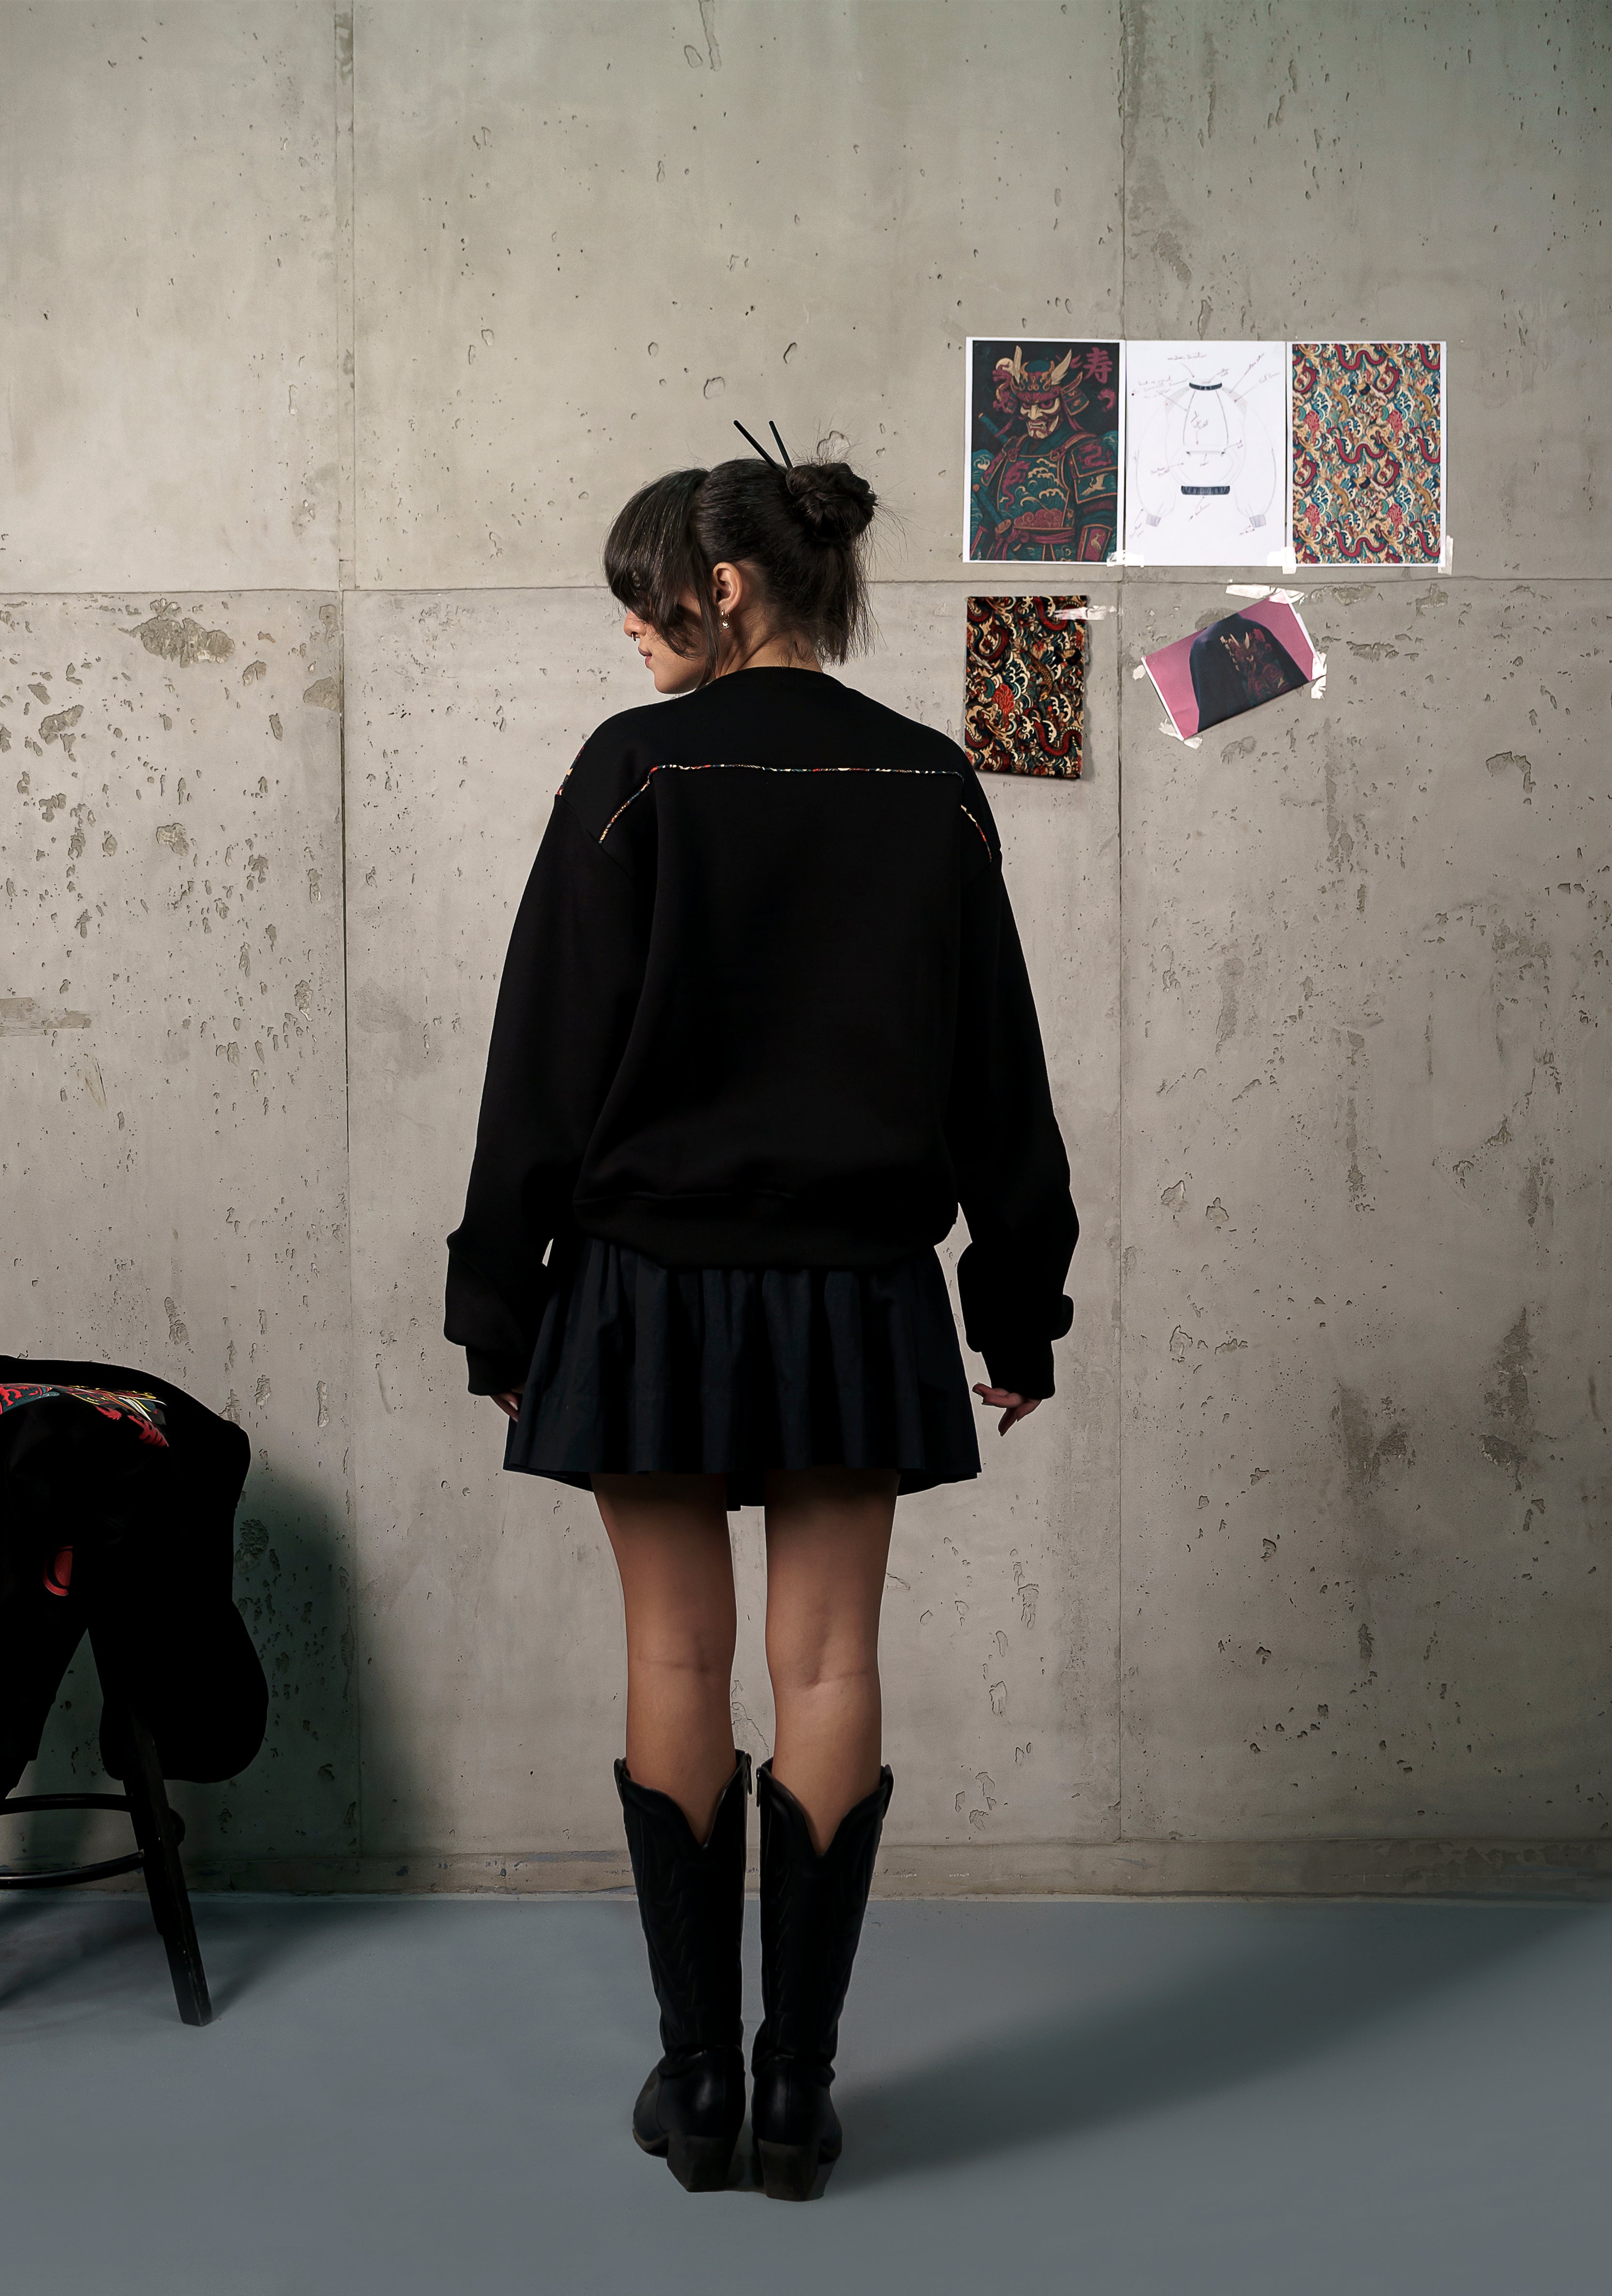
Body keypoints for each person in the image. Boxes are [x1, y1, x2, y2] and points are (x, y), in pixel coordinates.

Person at [444, 438, 1079, 2200]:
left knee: (673, 1659)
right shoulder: (931, 779)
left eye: (644, 602)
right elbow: (997, 1075)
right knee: (827, 1664)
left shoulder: (634, 772)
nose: (631, 635)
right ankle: (797, 2095)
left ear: (721, 588)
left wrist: (499, 1305)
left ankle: (697, 2079)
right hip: (856, 1291)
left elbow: (542, 1056)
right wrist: (1015, 1307)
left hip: (644, 1289)